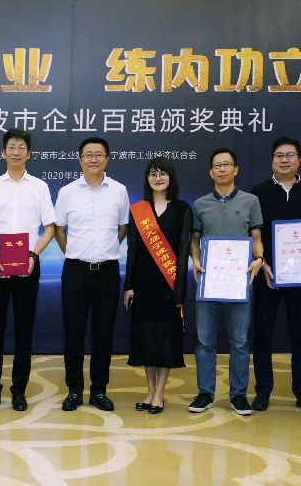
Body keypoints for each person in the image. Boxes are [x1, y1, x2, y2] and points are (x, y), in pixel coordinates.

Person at [0, 128, 56, 412]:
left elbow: (50, 228)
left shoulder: (40, 187)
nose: (16, 152)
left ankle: (19, 390)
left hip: (28, 263)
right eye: (11, 147)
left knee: (24, 330)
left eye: (21, 147)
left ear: (29, 154)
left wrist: (33, 255)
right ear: (4, 152)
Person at [54, 137, 129, 412]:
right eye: (88, 154)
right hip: (75, 271)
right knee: (73, 334)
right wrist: (74, 252)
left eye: (99, 154)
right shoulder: (67, 192)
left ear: (107, 159)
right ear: (80, 160)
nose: (93, 159)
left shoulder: (119, 191)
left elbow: (123, 227)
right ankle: (74, 390)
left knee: (103, 334)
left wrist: (106, 249)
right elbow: (59, 230)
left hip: (107, 272)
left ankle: (99, 390)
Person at [189, 148, 264, 416]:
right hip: (208, 281)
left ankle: (238, 395)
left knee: (240, 342)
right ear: (211, 172)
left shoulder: (251, 201)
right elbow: (194, 240)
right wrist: (195, 260)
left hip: (239, 282)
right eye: (217, 165)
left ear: (236, 169)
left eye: (227, 164)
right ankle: (205, 393)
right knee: (205, 342)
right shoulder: (200, 204)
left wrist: (259, 259)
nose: (222, 169)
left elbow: (256, 237)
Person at [249, 137, 301, 414]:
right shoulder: (259, 192)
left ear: (298, 160)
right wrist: (263, 263)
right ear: (272, 160)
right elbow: (254, 233)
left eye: (290, 155)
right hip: (266, 273)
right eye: (279, 155)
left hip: (300, 276)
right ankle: (263, 390)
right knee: (262, 335)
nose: (284, 160)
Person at [123, 157, 191, 414]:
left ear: (171, 178)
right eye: (153, 174)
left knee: (165, 339)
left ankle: (160, 393)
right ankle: (150, 391)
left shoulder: (182, 209)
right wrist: (129, 285)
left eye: (163, 173)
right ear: (147, 179)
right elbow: (132, 251)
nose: (158, 178)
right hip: (143, 284)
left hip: (168, 284)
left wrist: (180, 288)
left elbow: (183, 252)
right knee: (146, 338)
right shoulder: (138, 210)